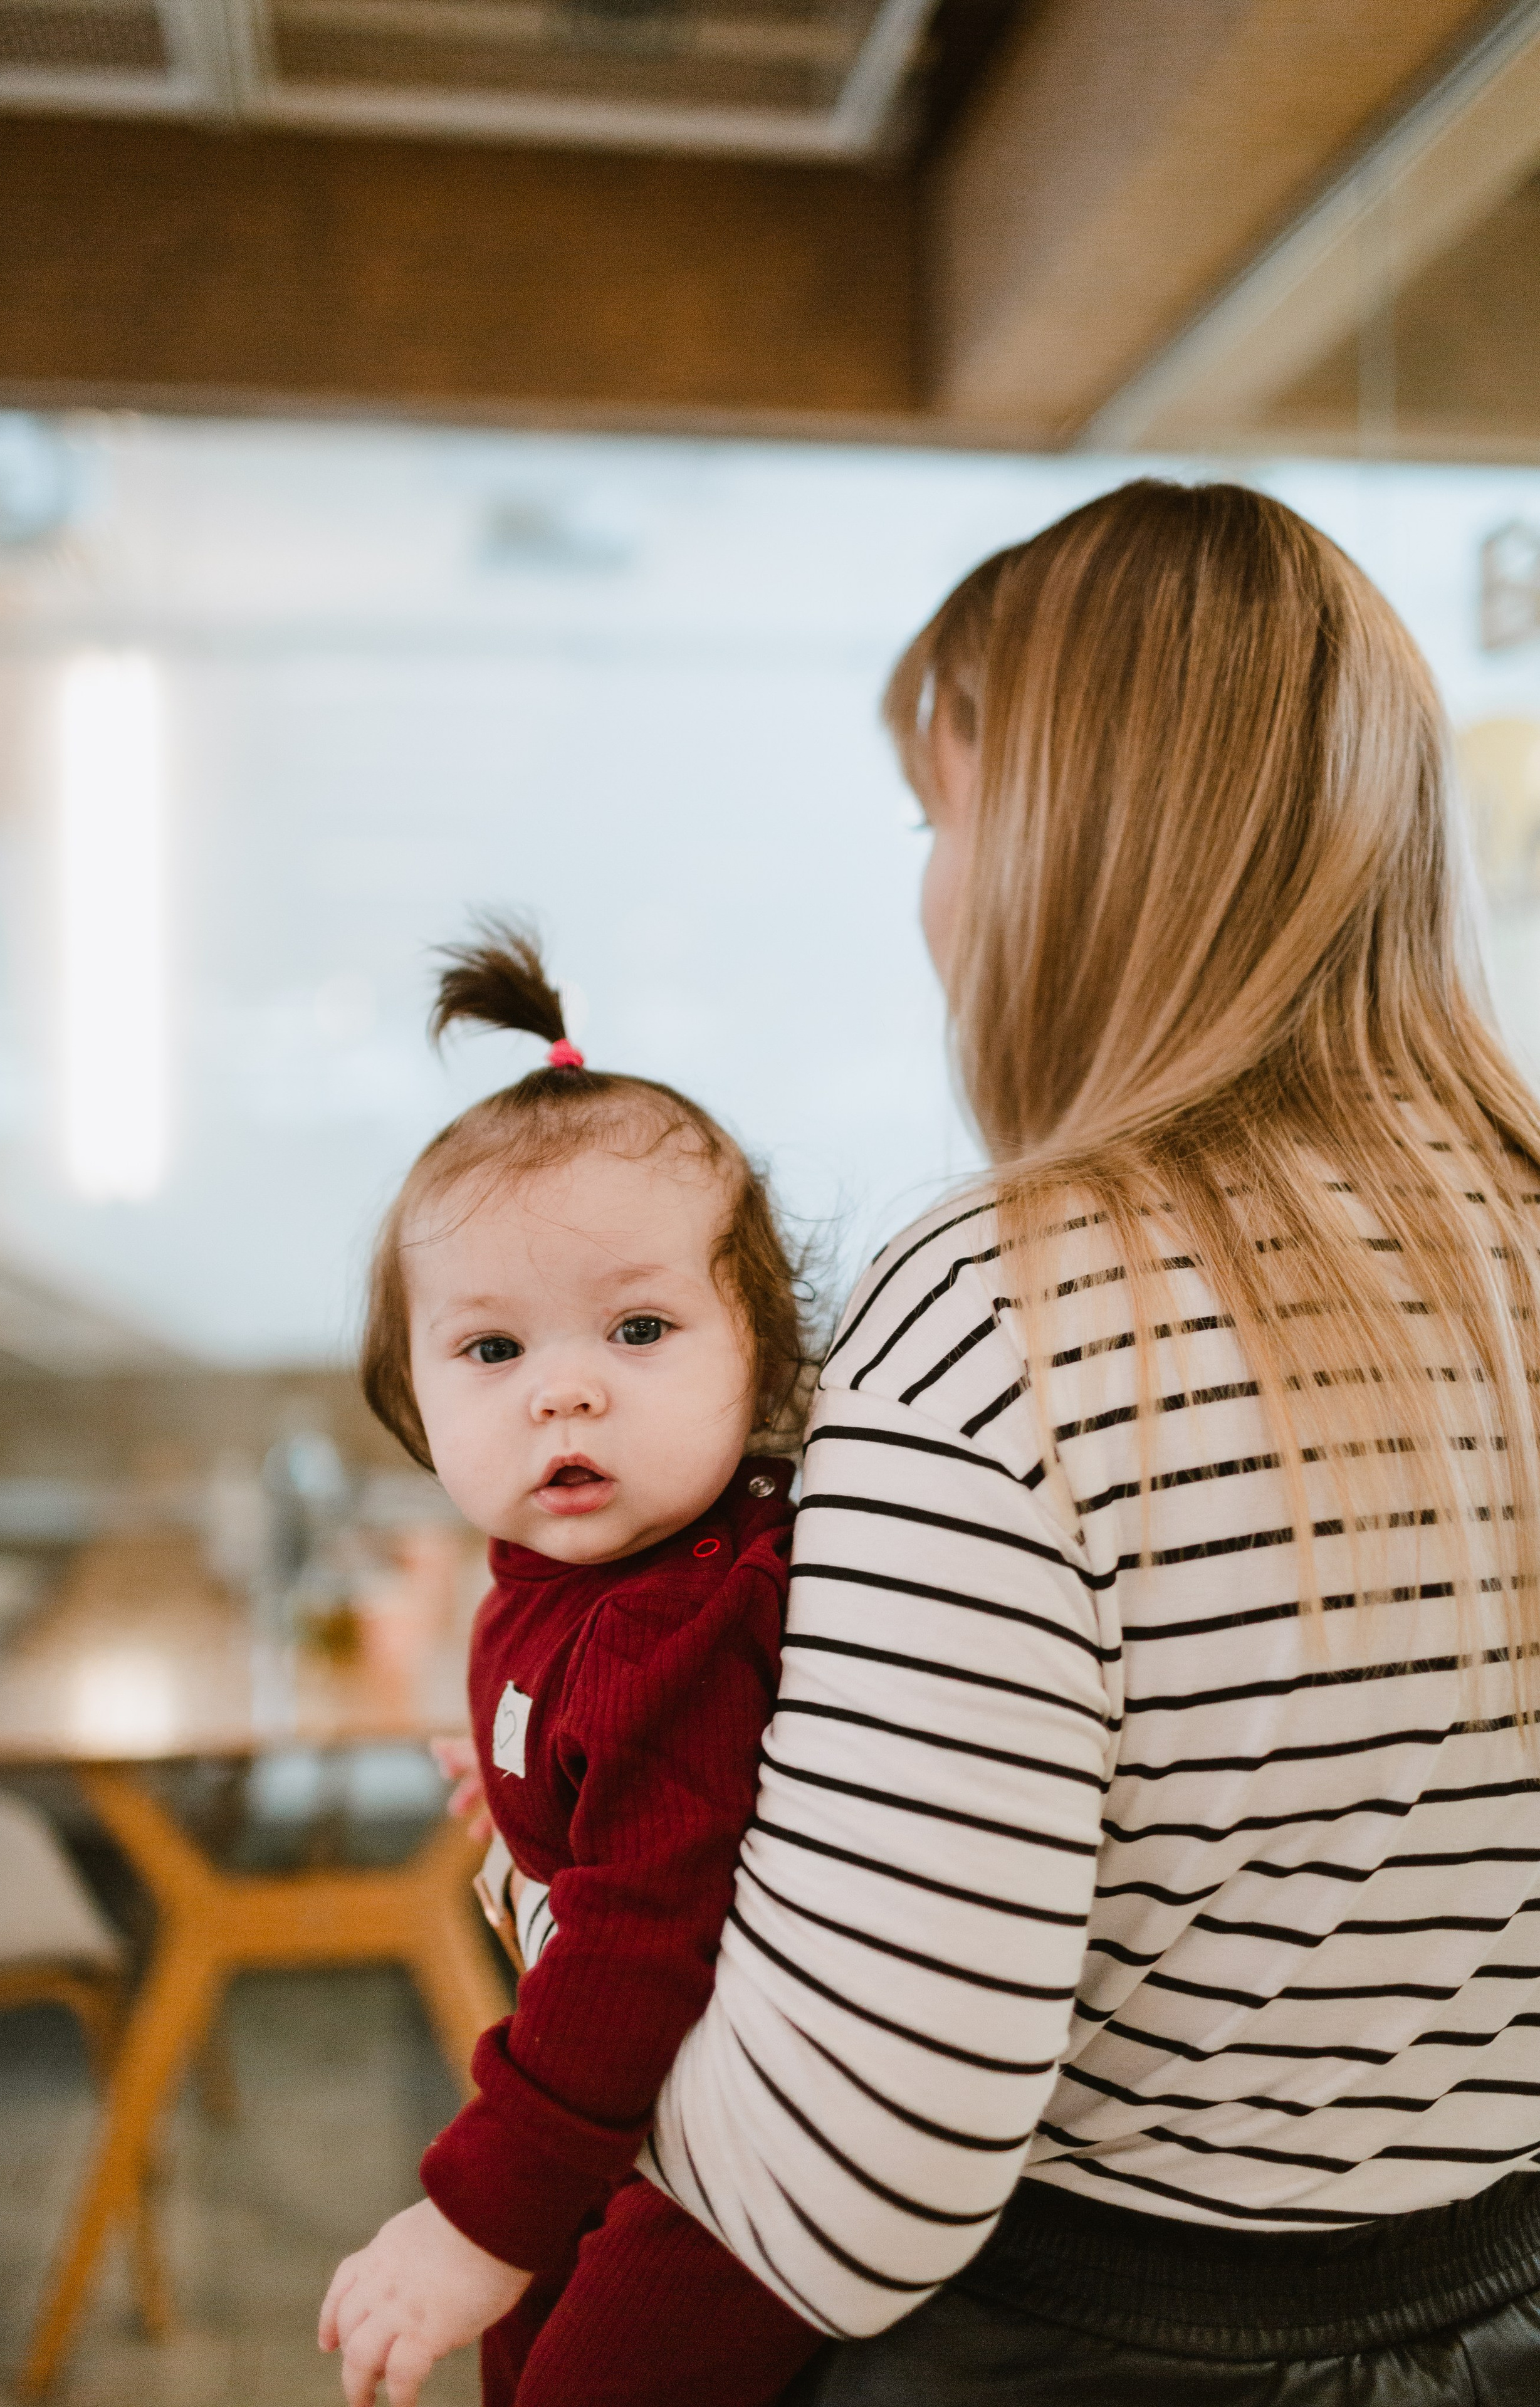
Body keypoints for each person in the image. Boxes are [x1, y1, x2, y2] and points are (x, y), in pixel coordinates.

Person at [630, 481, 1540, 2399]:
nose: (930, 894)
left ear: (1068, 846)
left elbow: (848, 2202)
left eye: (939, 820)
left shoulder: (1005, 1313)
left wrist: (551, 1906)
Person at [316, 925, 823, 2407]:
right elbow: (617, 1772)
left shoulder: (681, 1621)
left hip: (721, 2174)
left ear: (756, 1350)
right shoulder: (572, 1570)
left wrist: (478, 2220)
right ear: (410, 1392)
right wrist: (524, 1777)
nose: (566, 1389)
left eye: (638, 1327)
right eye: (492, 1351)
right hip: (624, 2107)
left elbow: (636, 1938)